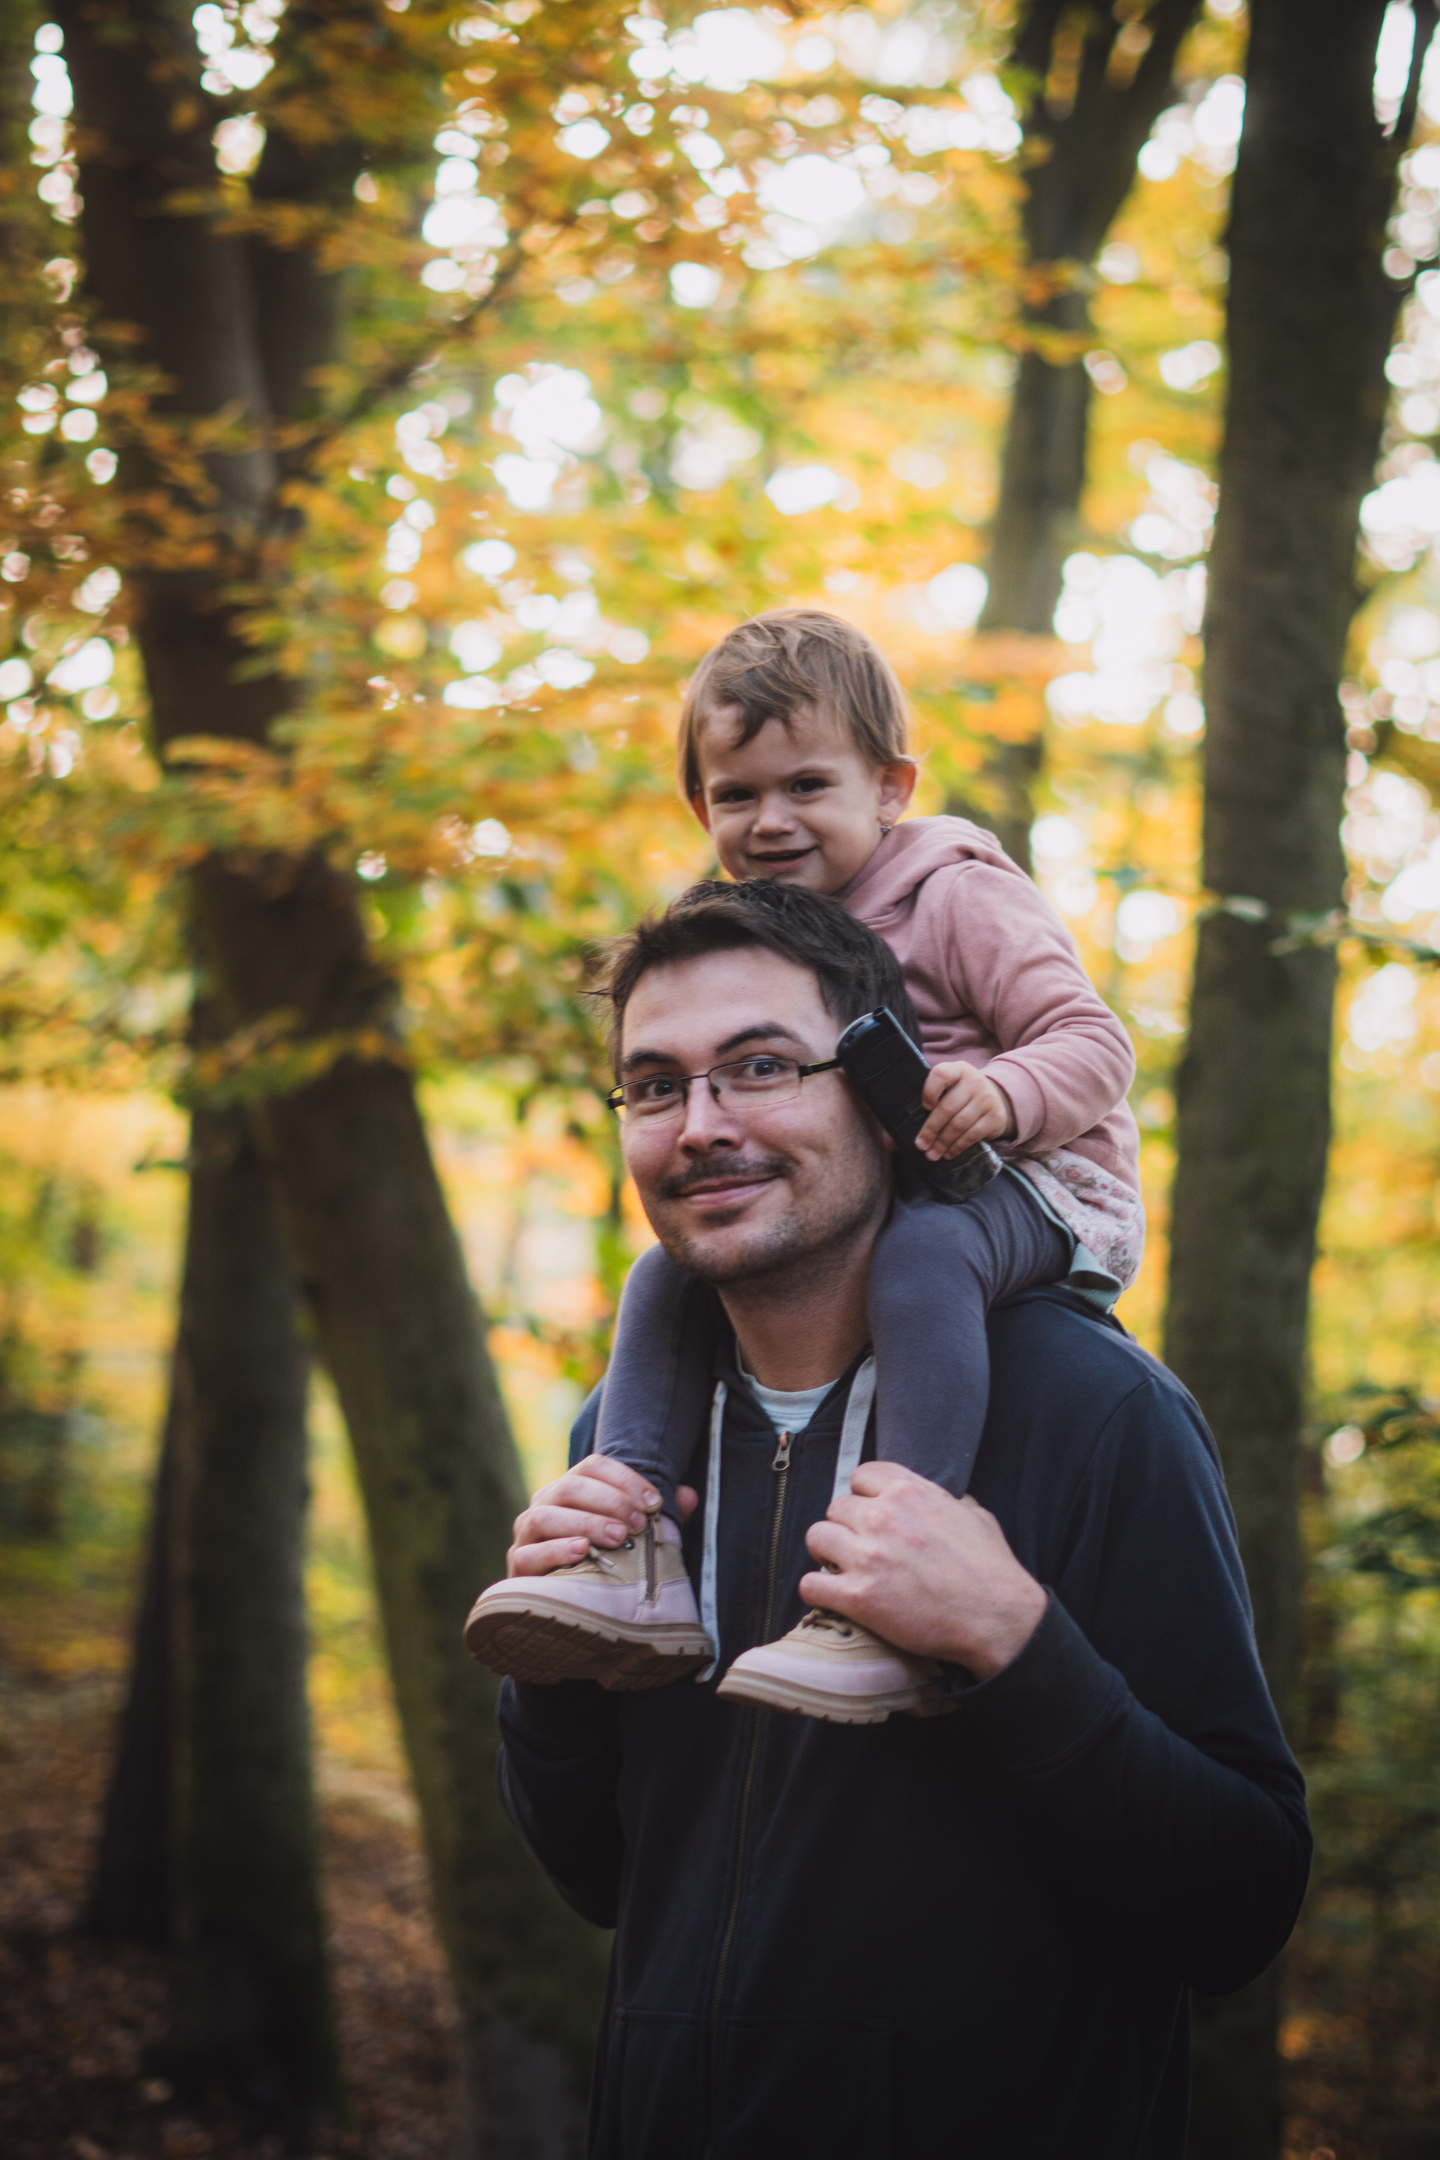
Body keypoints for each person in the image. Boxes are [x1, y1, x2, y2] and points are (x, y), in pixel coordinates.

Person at [487, 881, 1311, 2158]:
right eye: (655, 1086)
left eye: (759, 1068)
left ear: (885, 1094)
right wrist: (556, 1675)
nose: (701, 1126)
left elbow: (1239, 1907)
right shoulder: (626, 1431)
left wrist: (1015, 1644)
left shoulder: (1098, 1413)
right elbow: (601, 1881)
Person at [466, 608, 1144, 1716]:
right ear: (702, 806)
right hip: (913, 1184)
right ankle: (627, 1537)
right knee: (665, 1272)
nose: (771, 820)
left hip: (1044, 1181)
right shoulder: (747, 934)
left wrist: (1004, 1093)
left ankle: (888, 1567)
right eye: (738, 795)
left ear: (890, 787)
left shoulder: (956, 893)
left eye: (808, 787)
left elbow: (1096, 1042)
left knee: (922, 1260)